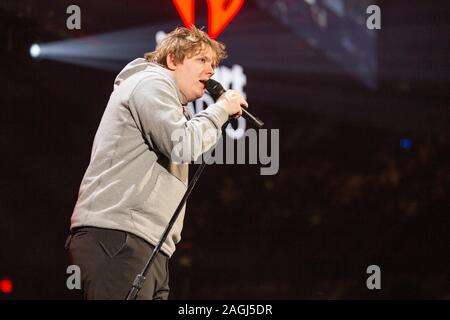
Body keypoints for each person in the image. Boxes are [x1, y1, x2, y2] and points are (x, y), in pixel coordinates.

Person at [66, 26, 248, 300]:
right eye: (201, 61)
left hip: (149, 246)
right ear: (172, 60)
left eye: (213, 65)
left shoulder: (176, 107)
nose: (211, 71)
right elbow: (182, 144)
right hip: (119, 237)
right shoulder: (151, 83)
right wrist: (220, 109)